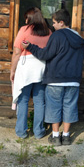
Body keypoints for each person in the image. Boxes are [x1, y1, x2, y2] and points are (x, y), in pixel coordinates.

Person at [22, 9, 84, 146]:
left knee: (54, 107)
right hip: (73, 80)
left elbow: (45, 55)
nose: (53, 25)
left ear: (62, 23)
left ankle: (56, 136)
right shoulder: (79, 38)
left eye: (55, 22)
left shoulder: (57, 36)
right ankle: (67, 136)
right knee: (69, 106)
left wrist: (30, 47)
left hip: (56, 79)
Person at [11, 7, 52, 139]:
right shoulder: (48, 32)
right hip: (42, 68)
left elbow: (17, 52)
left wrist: (12, 70)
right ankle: (39, 132)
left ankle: (21, 132)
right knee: (40, 102)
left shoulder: (24, 30)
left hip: (26, 69)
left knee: (23, 101)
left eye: (26, 17)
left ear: (29, 18)